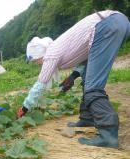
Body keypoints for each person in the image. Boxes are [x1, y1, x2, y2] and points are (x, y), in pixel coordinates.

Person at [17, 10, 130, 148]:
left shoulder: (51, 54)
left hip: (106, 25)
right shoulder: (56, 47)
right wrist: (73, 76)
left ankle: (109, 134)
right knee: (88, 82)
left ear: (40, 55)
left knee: (93, 88)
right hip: (118, 22)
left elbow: (40, 84)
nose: (38, 64)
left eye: (36, 61)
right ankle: (87, 118)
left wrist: (25, 107)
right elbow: (86, 56)